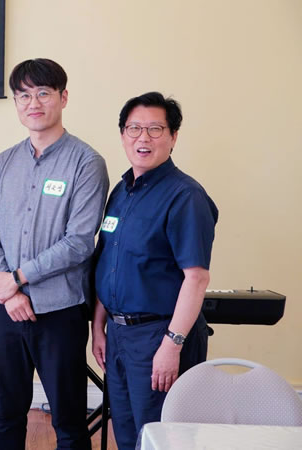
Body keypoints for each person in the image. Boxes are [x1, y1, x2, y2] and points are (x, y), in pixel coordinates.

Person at [0, 58, 109, 450]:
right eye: (23, 96)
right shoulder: (4, 162)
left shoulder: (87, 162)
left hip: (60, 312)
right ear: (16, 103)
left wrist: (18, 278)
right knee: (7, 416)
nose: (32, 103)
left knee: (68, 422)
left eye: (42, 93)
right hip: (7, 310)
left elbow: (79, 241)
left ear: (63, 98)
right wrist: (9, 292)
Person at [92, 92, 217, 450]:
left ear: (173, 137)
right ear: (122, 135)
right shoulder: (121, 191)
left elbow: (196, 277)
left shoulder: (185, 196)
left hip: (159, 335)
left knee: (161, 437)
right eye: (134, 128)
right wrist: (98, 327)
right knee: (128, 434)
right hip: (119, 336)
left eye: (155, 129)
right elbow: (107, 262)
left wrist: (172, 345)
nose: (142, 138)